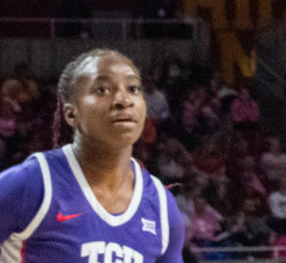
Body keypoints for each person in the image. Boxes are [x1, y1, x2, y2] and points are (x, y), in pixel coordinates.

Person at [0, 49, 184, 263]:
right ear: (71, 113)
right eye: (102, 89)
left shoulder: (162, 206)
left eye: (133, 88)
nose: (123, 100)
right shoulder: (33, 183)